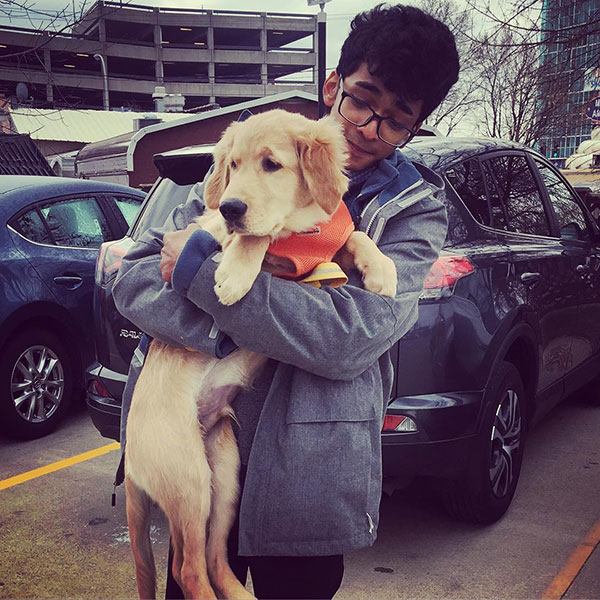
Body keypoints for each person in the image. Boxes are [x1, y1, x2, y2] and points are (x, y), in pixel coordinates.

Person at [112, 4, 459, 599]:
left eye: (396, 120)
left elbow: (349, 337)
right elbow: (133, 278)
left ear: (415, 126)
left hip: (306, 471)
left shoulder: (414, 211)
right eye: (362, 99)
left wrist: (199, 280)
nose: (371, 128)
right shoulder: (254, 155)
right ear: (333, 86)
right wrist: (223, 326)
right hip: (192, 439)